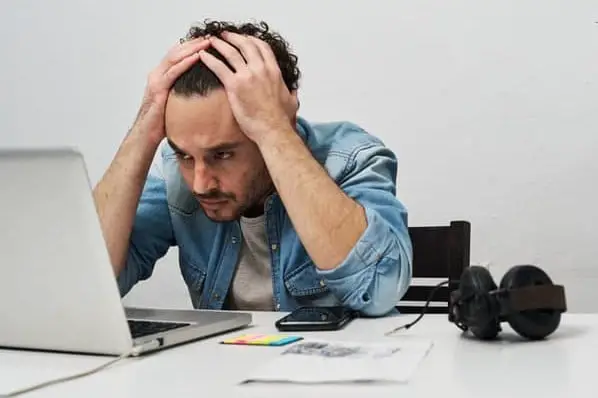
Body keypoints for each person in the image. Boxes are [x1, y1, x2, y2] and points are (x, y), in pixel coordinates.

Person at [93, 20, 413, 317]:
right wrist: (142, 134)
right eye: (185, 155)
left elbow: (379, 289)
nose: (201, 184)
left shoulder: (351, 157)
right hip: (224, 374)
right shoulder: (176, 178)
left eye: (222, 154)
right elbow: (88, 285)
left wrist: (276, 130)